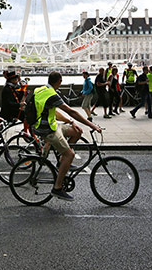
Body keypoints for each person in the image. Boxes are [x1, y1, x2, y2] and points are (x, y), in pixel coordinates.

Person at [31, 71, 101, 201]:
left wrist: (70, 122)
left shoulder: (41, 89)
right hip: (47, 130)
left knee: (77, 132)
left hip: (51, 125)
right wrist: (92, 126)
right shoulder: (52, 94)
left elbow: (53, 111)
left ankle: (61, 162)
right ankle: (57, 188)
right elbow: (71, 111)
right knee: (70, 155)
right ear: (59, 81)